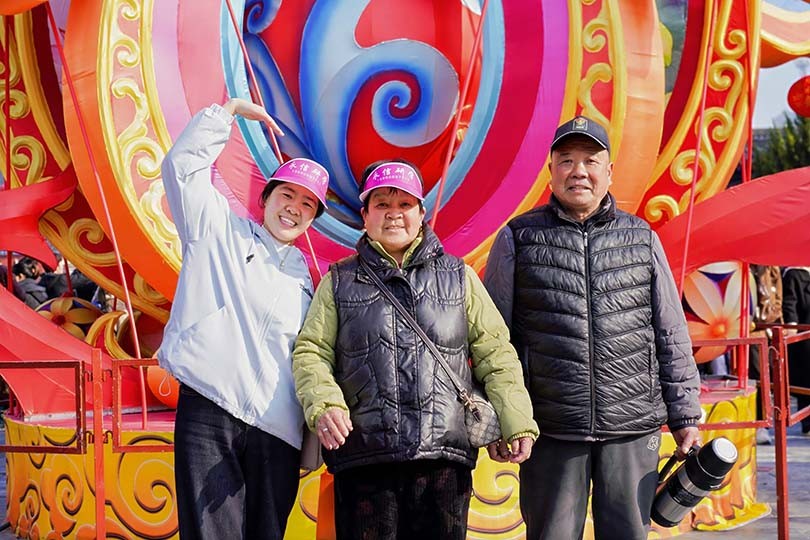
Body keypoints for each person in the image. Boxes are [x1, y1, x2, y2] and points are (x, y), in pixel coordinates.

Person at [293, 159, 538, 540]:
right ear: (365, 216)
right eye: (382, 204)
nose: (394, 213)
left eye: (404, 204)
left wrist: (516, 420)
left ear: (421, 214)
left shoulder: (458, 276)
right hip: (365, 458)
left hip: (443, 462)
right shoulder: (339, 281)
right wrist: (324, 404)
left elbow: (496, 354)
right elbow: (312, 351)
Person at [484, 116, 702, 540]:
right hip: (551, 428)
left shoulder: (641, 238)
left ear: (609, 171)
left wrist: (685, 414)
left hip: (632, 427)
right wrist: (499, 419)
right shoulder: (518, 238)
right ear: (551, 170)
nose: (578, 171)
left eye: (590, 161)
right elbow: (495, 342)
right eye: (566, 160)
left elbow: (670, 333)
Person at [157, 98, 329, 540]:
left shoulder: (310, 282)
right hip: (210, 409)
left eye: (307, 204)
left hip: (277, 432)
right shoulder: (217, 231)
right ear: (265, 197)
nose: (294, 208)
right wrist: (227, 112)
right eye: (287, 195)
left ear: (313, 218)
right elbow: (181, 168)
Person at [750, 264, 783, 444]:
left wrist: (774, 318)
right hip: (746, 325)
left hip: (764, 327)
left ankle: (763, 421)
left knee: (764, 374)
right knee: (755, 374)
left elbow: (777, 297)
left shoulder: (770, 268)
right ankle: (758, 421)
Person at [782, 266, 810, 434]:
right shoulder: (793, 274)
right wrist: (791, 326)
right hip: (804, 335)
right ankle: (807, 421)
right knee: (806, 379)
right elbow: (789, 304)